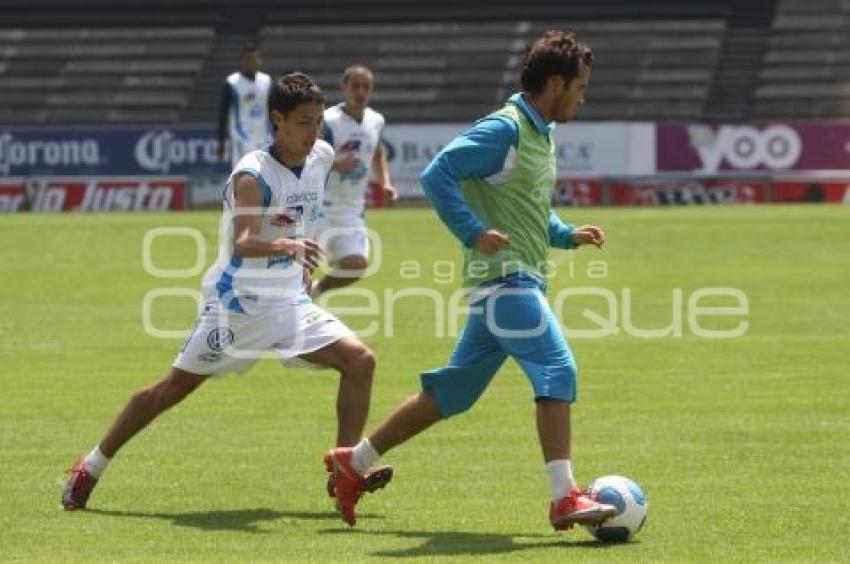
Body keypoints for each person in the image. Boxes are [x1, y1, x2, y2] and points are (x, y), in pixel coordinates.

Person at [323, 30, 618, 530]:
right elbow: (439, 173)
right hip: (506, 283)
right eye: (579, 87)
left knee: (451, 394)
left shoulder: (540, 133)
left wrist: (567, 235)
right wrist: (473, 232)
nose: (583, 97)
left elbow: (526, 209)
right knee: (557, 367)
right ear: (555, 82)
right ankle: (563, 497)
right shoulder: (504, 129)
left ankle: (354, 462)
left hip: (509, 283)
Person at [62, 73, 391, 511]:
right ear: (277, 119)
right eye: (304, 123)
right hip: (238, 304)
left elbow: (307, 212)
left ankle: (345, 471)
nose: (315, 133)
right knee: (173, 388)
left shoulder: (323, 155)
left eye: (317, 122)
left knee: (360, 361)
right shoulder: (253, 175)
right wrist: (288, 246)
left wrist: (302, 268)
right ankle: (91, 467)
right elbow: (243, 241)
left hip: (289, 302)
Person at [311, 65, 397, 299]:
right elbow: (309, 157)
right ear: (344, 88)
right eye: (355, 86)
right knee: (303, 265)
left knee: (357, 265)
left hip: (351, 209)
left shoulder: (376, 121)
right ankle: (289, 312)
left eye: (366, 87)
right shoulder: (328, 120)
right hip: (320, 207)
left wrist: (385, 183)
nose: (360, 92)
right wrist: (335, 164)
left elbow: (378, 153)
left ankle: (314, 293)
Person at [217, 42, 274, 168]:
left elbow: (273, 109)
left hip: (264, 135)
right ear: (242, 61)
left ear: (260, 60)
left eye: (255, 59)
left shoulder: (267, 81)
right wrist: (221, 141)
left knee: (267, 173)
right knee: (245, 172)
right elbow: (223, 114)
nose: (251, 62)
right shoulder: (232, 83)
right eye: (248, 59)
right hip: (241, 137)